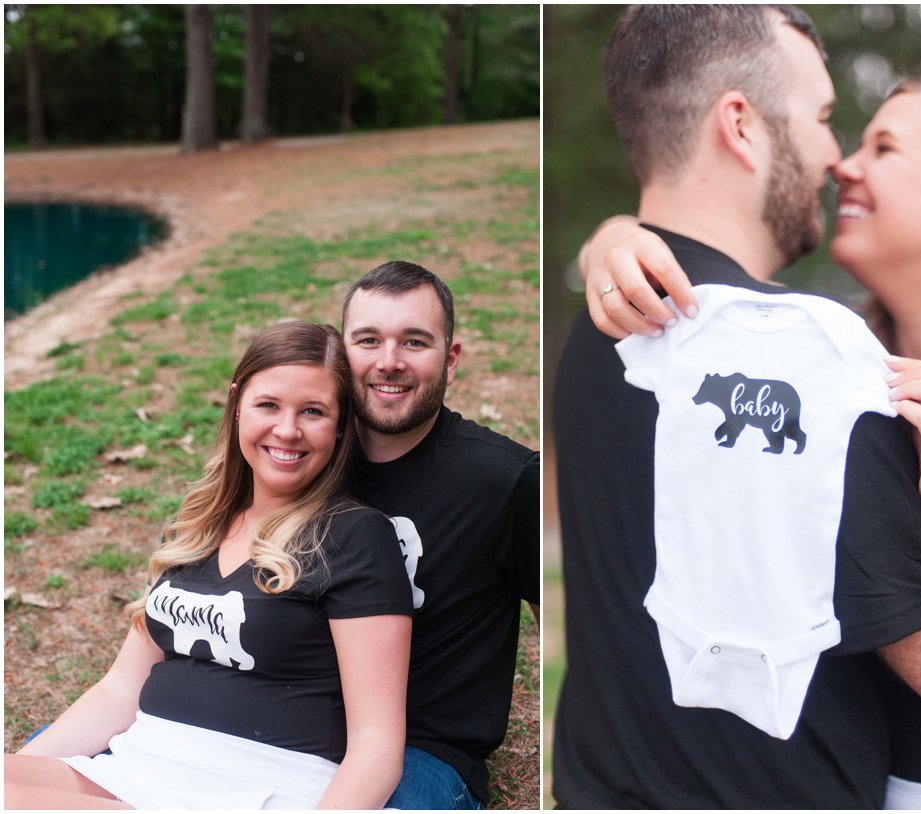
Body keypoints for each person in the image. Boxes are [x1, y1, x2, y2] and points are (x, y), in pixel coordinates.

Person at [553, 5, 921, 809]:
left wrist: (615, 234)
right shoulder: (797, 355)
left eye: (880, 145)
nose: (838, 160)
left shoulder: (603, 319)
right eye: (826, 119)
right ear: (741, 125)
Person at [5, 321, 414, 810]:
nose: (288, 429)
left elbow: (377, 743)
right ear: (237, 402)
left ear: (341, 426)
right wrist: (24, 773)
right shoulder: (196, 525)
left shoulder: (355, 535)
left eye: (313, 412)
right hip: (136, 766)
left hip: (257, 786)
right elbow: (119, 690)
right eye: (269, 405)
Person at [341, 260, 540, 810]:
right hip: (298, 729)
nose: (389, 362)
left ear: (450, 359)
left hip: (422, 754)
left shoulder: (505, 480)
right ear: (342, 352)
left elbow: (565, 622)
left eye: (414, 342)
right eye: (369, 340)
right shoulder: (308, 459)